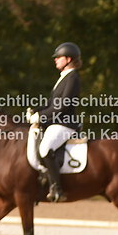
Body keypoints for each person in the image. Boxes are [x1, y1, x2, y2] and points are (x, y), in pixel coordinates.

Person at [34, 42, 83, 202]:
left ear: (68, 59)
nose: (55, 59)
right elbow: (51, 104)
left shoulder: (73, 77)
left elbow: (63, 105)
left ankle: (57, 188)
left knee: (45, 149)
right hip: (57, 122)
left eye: (58, 57)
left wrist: (41, 116)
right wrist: (35, 111)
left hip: (65, 124)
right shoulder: (64, 77)